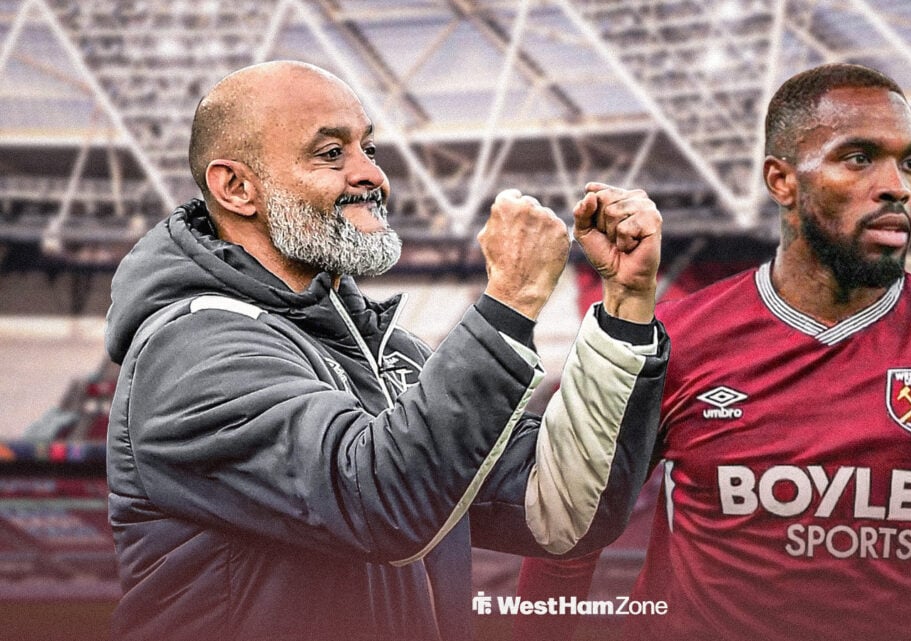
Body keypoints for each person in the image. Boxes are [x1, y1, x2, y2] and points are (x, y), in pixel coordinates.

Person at [513, 63, 911, 641]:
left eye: (909, 162)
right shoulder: (671, 345)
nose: (897, 185)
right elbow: (567, 542)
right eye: (859, 158)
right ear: (781, 180)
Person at [103, 60, 670, 641]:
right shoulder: (190, 349)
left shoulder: (389, 351)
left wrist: (626, 304)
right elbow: (379, 505)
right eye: (331, 154)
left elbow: (561, 513)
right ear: (237, 188)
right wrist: (511, 300)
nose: (372, 175)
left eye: (368, 149)